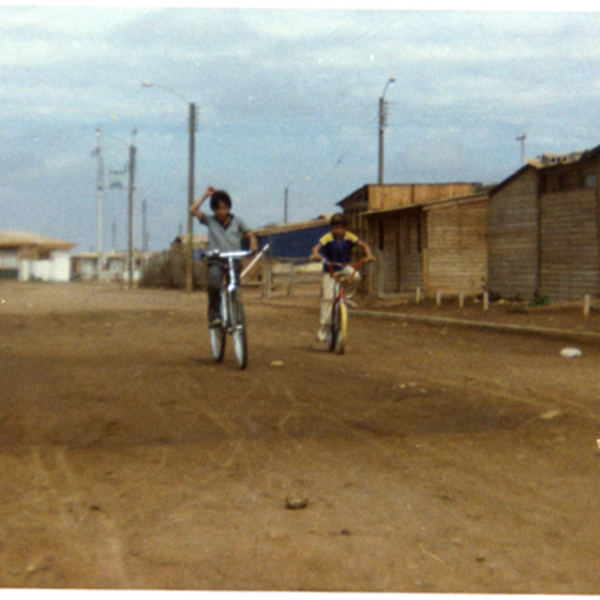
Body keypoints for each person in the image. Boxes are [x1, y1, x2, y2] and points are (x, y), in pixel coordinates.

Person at [190, 186, 257, 328]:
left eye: (225, 208)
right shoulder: (210, 220)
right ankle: (215, 316)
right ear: (213, 209)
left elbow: (250, 234)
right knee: (214, 284)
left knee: (234, 288)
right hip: (216, 261)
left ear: (229, 208)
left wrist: (252, 244)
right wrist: (205, 195)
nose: (222, 211)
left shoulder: (237, 221)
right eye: (218, 208)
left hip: (233, 260)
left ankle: (235, 312)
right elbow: (193, 210)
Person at [311, 213, 375, 342]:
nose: (339, 230)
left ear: (345, 228)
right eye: (336, 227)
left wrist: (369, 255)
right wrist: (318, 256)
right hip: (330, 269)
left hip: (344, 267)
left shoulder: (350, 237)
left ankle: (348, 297)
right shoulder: (327, 237)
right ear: (332, 228)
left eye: (341, 228)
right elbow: (315, 249)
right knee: (327, 299)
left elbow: (364, 245)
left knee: (356, 276)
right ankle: (323, 328)